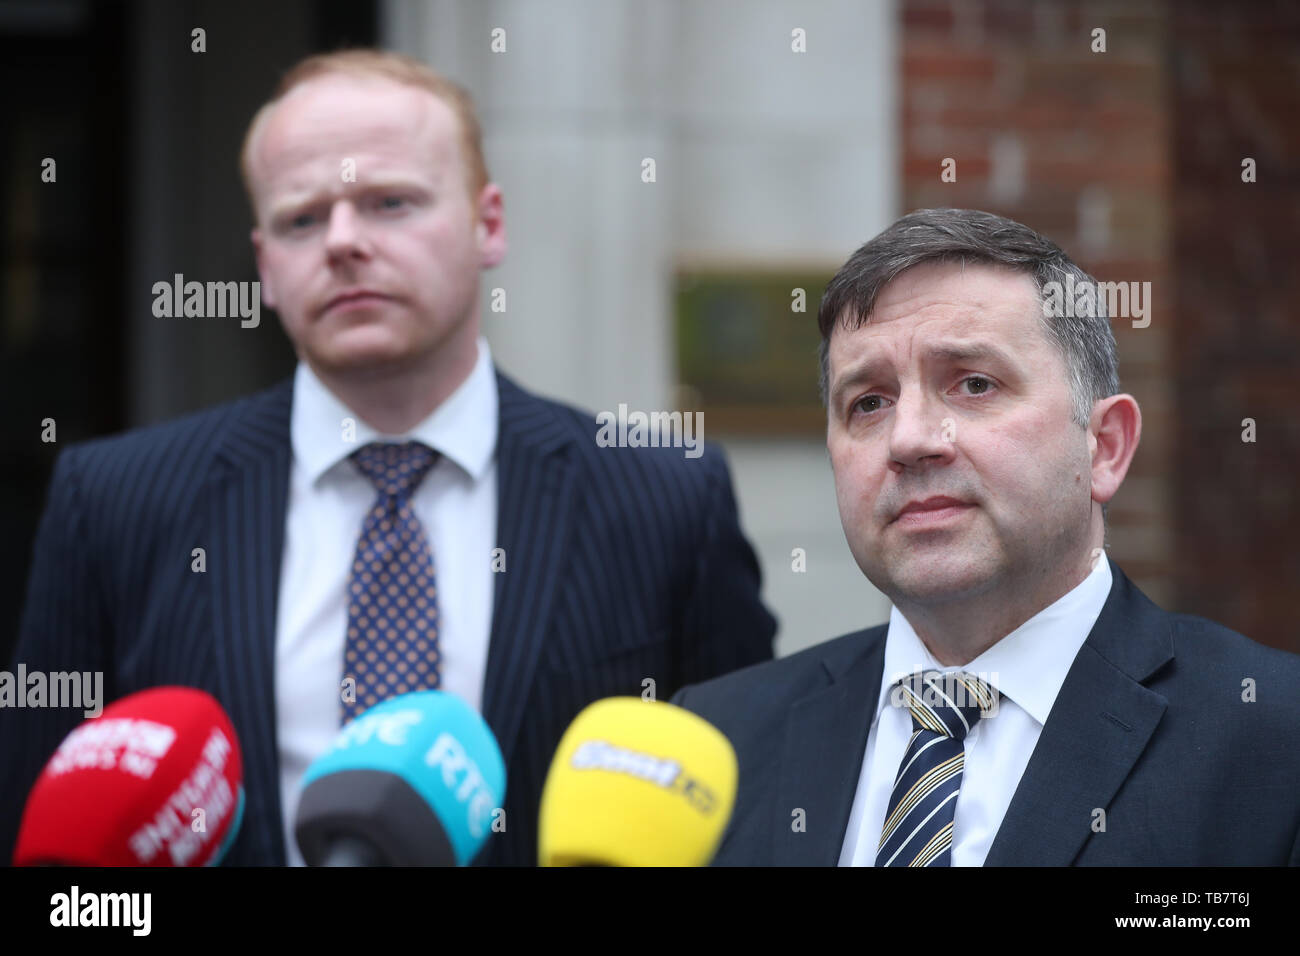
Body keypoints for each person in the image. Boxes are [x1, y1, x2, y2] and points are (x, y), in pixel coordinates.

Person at [1, 49, 776, 867]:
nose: (342, 241)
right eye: (303, 218)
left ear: (489, 224)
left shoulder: (662, 496)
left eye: (390, 203)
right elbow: (46, 834)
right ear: (264, 266)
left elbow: (748, 795)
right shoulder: (117, 501)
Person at [672, 208, 1300, 866]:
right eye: (869, 402)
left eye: (974, 384)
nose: (910, 439)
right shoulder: (715, 744)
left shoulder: (1272, 743)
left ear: (1105, 448)